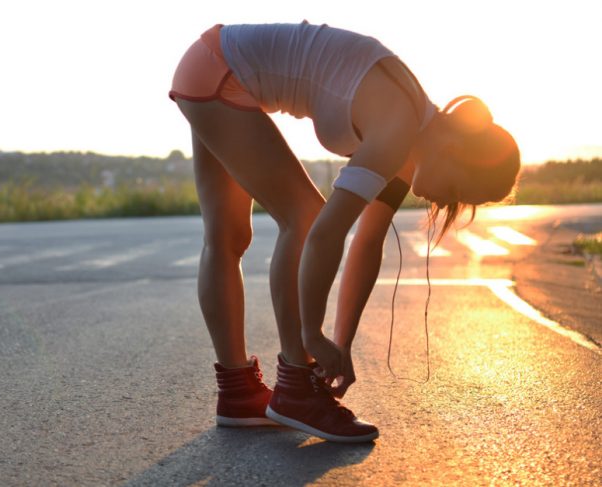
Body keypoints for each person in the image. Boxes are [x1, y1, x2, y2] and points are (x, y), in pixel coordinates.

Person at [169, 21, 520, 443]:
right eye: (460, 191)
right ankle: (296, 385)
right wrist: (312, 336)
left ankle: (238, 392)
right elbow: (324, 234)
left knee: (226, 236)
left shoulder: (407, 143)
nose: (448, 204)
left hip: (209, 66)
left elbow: (366, 242)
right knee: (306, 216)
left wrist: (341, 343)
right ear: (457, 151)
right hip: (223, 72)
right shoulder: (398, 128)